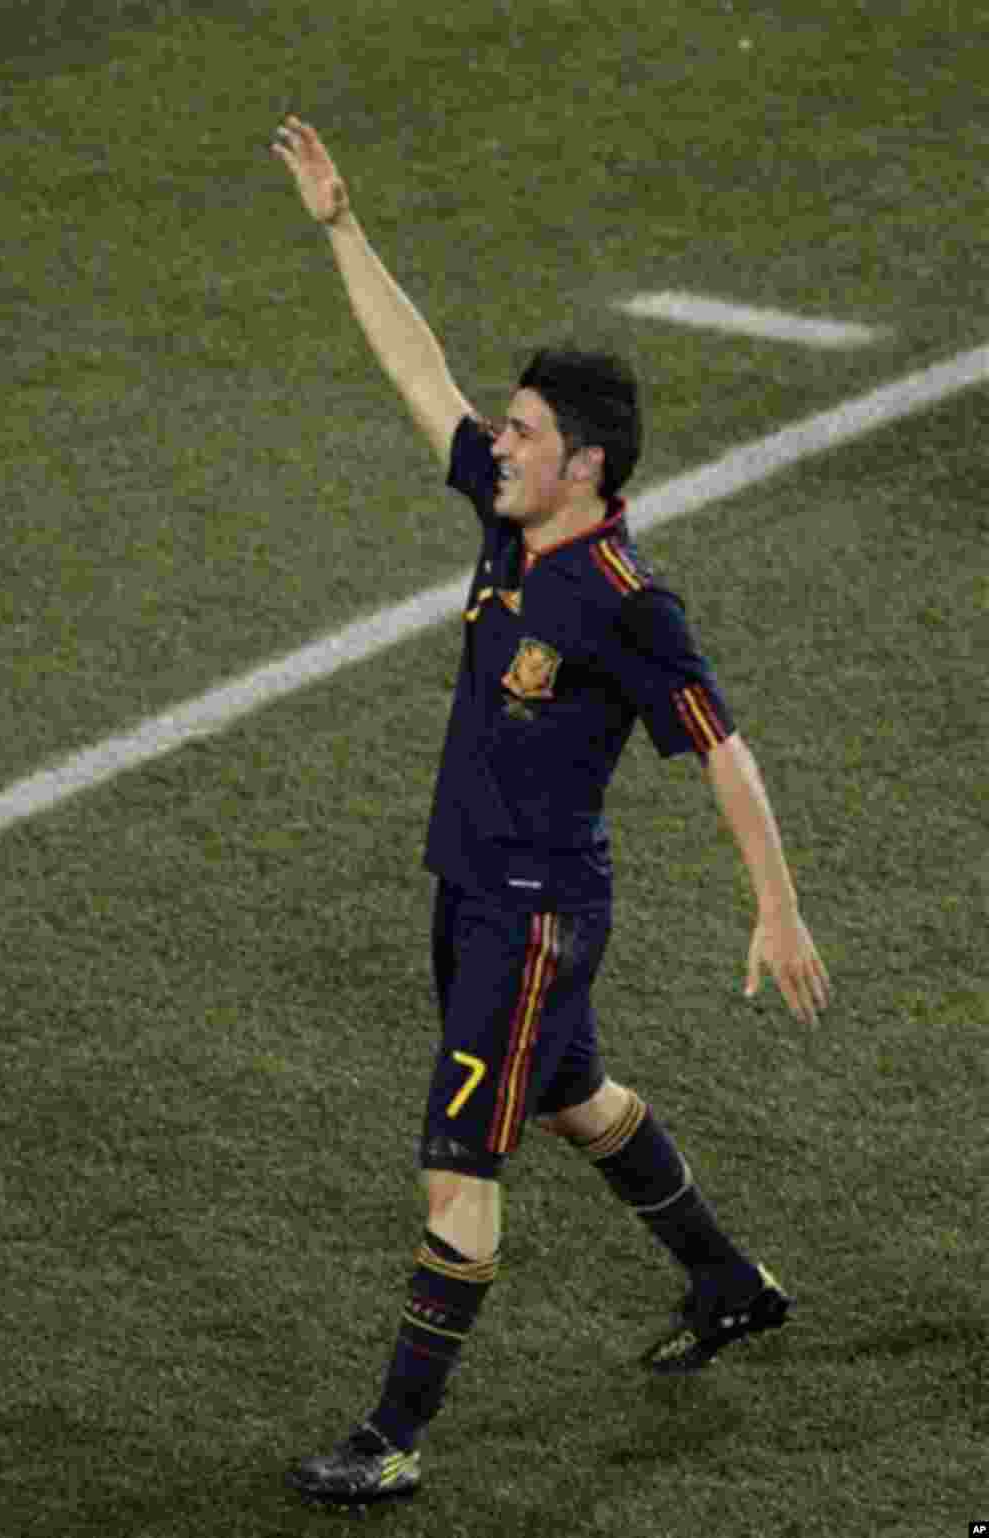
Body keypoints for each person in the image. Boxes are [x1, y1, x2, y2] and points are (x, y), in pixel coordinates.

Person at [270, 116, 830, 1507]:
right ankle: (727, 1278)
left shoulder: (626, 603)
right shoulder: (511, 521)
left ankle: (395, 1433)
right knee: (576, 1096)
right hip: (472, 889)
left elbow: (723, 747)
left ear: (584, 464)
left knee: (458, 1163)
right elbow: (417, 369)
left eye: (521, 432)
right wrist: (344, 228)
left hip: (533, 914)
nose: (494, 441)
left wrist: (775, 901)